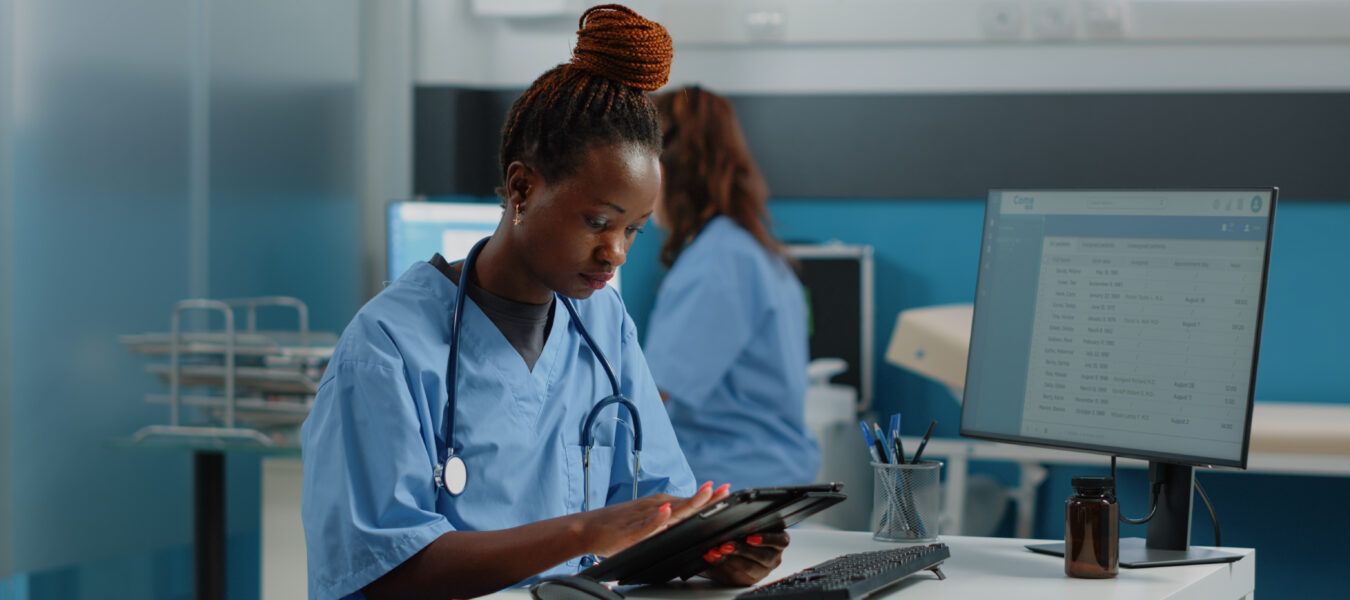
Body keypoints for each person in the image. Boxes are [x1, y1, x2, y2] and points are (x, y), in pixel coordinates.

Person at [301, 7, 787, 599]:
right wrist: (582, 531)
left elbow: (655, 507)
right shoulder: (387, 346)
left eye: (633, 229)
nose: (616, 254)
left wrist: (708, 551)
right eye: (598, 221)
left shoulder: (603, 322)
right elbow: (381, 572)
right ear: (522, 188)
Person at [645, 86, 821, 490]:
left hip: (730, 485)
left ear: (668, 166)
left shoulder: (717, 261)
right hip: (766, 476)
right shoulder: (749, 250)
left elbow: (650, 399)